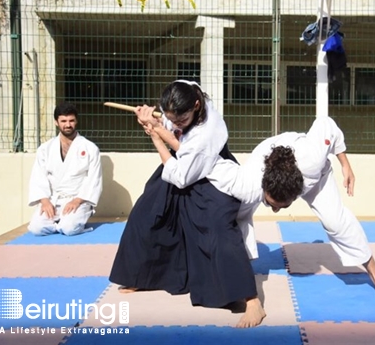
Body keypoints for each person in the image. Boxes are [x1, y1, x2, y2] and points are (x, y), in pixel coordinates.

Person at [109, 80, 265, 328]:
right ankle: (143, 275)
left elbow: (181, 175)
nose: (176, 123)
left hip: (211, 174)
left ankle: (251, 299)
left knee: (216, 227)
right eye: (171, 117)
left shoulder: (206, 134)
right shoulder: (188, 91)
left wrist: (157, 135)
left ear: (195, 106)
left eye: (181, 119)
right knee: (147, 210)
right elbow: (179, 144)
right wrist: (156, 123)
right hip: (184, 161)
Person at [209, 116, 375, 299]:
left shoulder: (313, 159)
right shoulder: (250, 181)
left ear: (296, 194)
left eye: (281, 207)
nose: (274, 211)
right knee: (238, 215)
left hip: (316, 177)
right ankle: (240, 269)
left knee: (335, 222)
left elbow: (326, 124)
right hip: (266, 171)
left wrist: (345, 164)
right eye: (271, 204)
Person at [28, 102, 102, 236]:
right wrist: (45, 202)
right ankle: (59, 224)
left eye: (71, 120)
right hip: (53, 200)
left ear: (76, 121)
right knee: (36, 229)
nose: (68, 125)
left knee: (69, 228)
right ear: (56, 122)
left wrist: (77, 201)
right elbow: (38, 177)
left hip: (78, 200)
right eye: (63, 121)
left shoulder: (90, 148)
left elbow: (94, 179)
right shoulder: (45, 149)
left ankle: (67, 223)